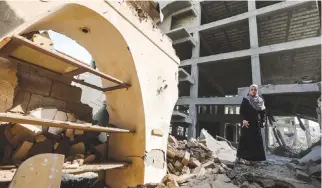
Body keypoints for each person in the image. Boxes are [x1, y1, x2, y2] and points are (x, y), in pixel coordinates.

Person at [236, 84, 266, 165]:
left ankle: (254, 160)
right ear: (249, 90)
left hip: (256, 123)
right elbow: (241, 112)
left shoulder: (260, 101)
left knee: (255, 141)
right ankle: (240, 157)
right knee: (244, 140)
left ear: (257, 91)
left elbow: (263, 113)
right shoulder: (246, 100)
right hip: (247, 123)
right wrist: (243, 120)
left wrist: (263, 121)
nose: (253, 91)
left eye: (255, 89)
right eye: (252, 89)